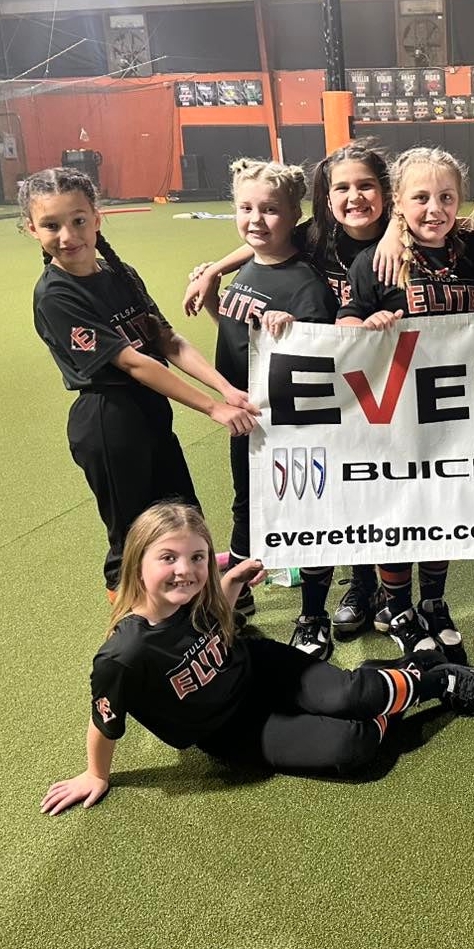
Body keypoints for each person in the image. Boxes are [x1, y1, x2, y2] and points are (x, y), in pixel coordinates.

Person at [40, 503, 474, 814]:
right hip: (229, 729)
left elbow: (216, 622)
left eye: (198, 557)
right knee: (353, 749)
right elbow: (104, 720)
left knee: (354, 694)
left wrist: (230, 582)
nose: (186, 570)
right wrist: (96, 773)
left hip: (261, 669)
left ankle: (441, 681)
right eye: (168, 558)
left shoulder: (198, 594)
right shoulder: (124, 653)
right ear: (138, 563)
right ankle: (393, 680)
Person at [183, 141, 392, 640]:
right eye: (342, 188)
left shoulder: (394, 240)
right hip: (269, 403)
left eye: (366, 186)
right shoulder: (315, 237)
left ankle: (370, 586)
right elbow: (263, 244)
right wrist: (215, 271)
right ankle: (271, 587)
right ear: (325, 197)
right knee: (269, 497)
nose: (354, 197)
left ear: (387, 192)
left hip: (361, 387)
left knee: (357, 494)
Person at [25, 167, 257, 599]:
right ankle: (131, 626)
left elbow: (167, 340)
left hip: (150, 413)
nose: (67, 235)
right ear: (32, 229)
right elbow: (133, 363)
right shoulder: (56, 294)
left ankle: (204, 610)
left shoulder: (120, 272)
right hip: (108, 423)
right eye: (51, 225)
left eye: (78, 220)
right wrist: (212, 407)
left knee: (182, 516)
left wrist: (226, 389)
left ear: (97, 218)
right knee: (132, 538)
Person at [337, 146, 474, 662]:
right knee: (399, 512)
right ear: (399, 203)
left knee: (442, 511)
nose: (435, 209)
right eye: (421, 197)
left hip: (462, 413)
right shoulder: (376, 260)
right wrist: (366, 327)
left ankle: (433, 603)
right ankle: (399, 609)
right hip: (397, 414)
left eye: (447, 197)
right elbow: (345, 322)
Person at [200, 159, 338, 658]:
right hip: (245, 418)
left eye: (270, 210)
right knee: (245, 505)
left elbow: (323, 363)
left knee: (306, 511)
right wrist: (213, 293)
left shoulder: (305, 284)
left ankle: (314, 614)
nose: (256, 220)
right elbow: (239, 333)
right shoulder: (249, 268)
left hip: (290, 427)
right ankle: (238, 597)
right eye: (245, 208)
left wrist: (292, 330)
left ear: (294, 215)